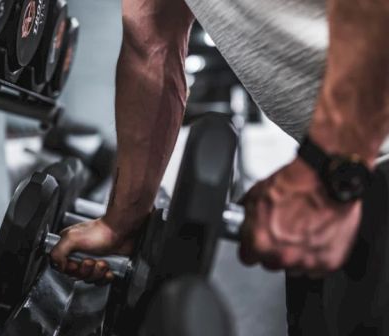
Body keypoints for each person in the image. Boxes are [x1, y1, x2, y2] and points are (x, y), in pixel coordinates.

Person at [51, 0, 389, 333]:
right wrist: (122, 221)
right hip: (356, 166)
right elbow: (151, 45)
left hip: (350, 159)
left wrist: (329, 171)